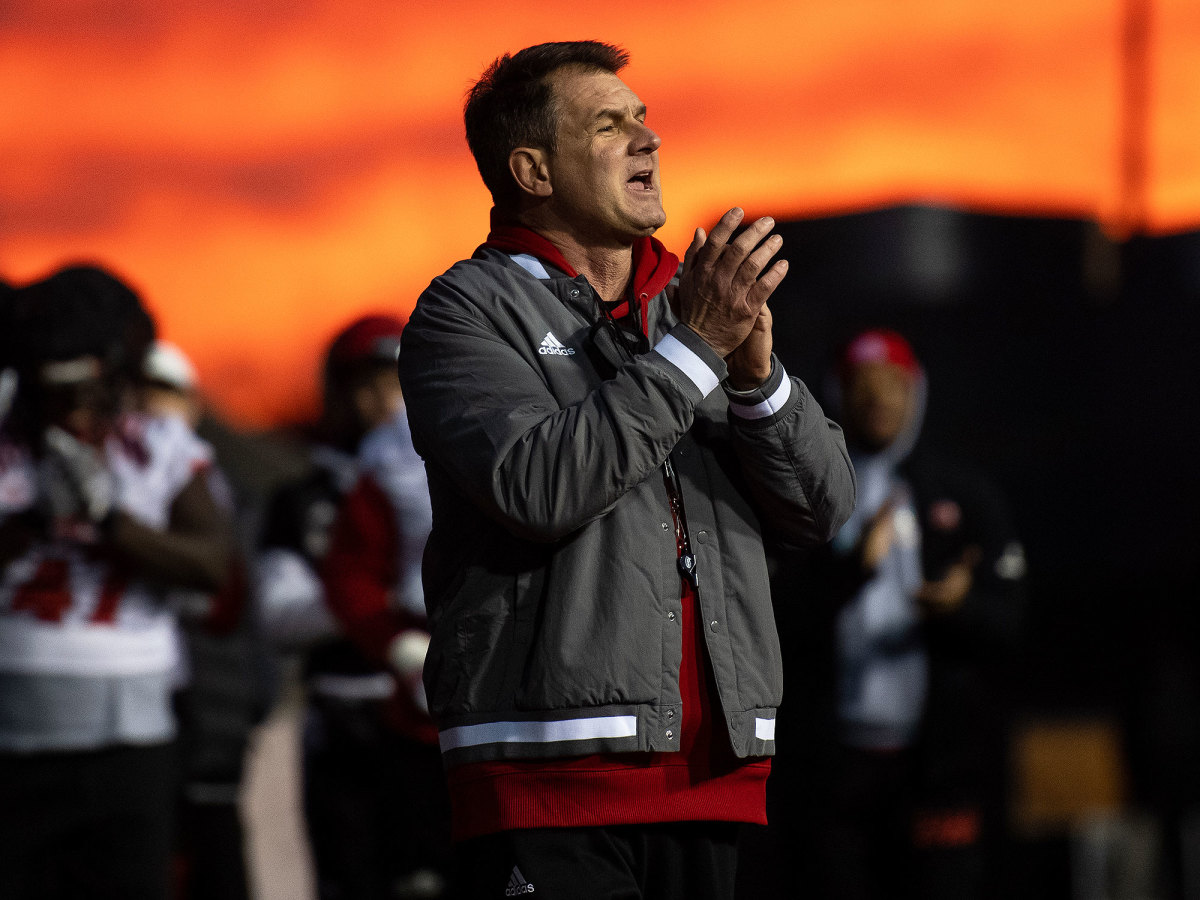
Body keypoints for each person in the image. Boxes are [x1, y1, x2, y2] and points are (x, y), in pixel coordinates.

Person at [397, 40, 856, 900]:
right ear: (532, 168)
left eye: (644, 119)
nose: (648, 140)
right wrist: (695, 352)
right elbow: (538, 487)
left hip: (713, 775)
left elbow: (823, 509)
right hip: (547, 778)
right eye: (610, 124)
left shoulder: (694, 307)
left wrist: (757, 381)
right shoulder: (462, 311)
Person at [0, 265, 235, 900]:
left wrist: (113, 525)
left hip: (129, 734)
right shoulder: (10, 449)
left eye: (87, 390)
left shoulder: (156, 445)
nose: (76, 411)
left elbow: (213, 563)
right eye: (59, 393)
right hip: (15, 729)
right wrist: (27, 524)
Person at [767, 329, 1026, 900]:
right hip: (832, 774)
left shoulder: (963, 493)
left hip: (939, 769)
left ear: (918, 393)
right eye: (863, 385)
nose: (878, 399)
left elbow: (1013, 625)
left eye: (893, 384)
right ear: (836, 392)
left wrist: (963, 608)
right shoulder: (800, 496)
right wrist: (850, 569)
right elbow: (772, 624)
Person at [255, 314, 446, 899]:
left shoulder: (445, 467)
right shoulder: (304, 496)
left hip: (437, 717)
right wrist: (376, 599)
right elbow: (278, 612)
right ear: (338, 394)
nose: (380, 401)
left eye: (392, 381)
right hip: (344, 718)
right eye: (363, 385)